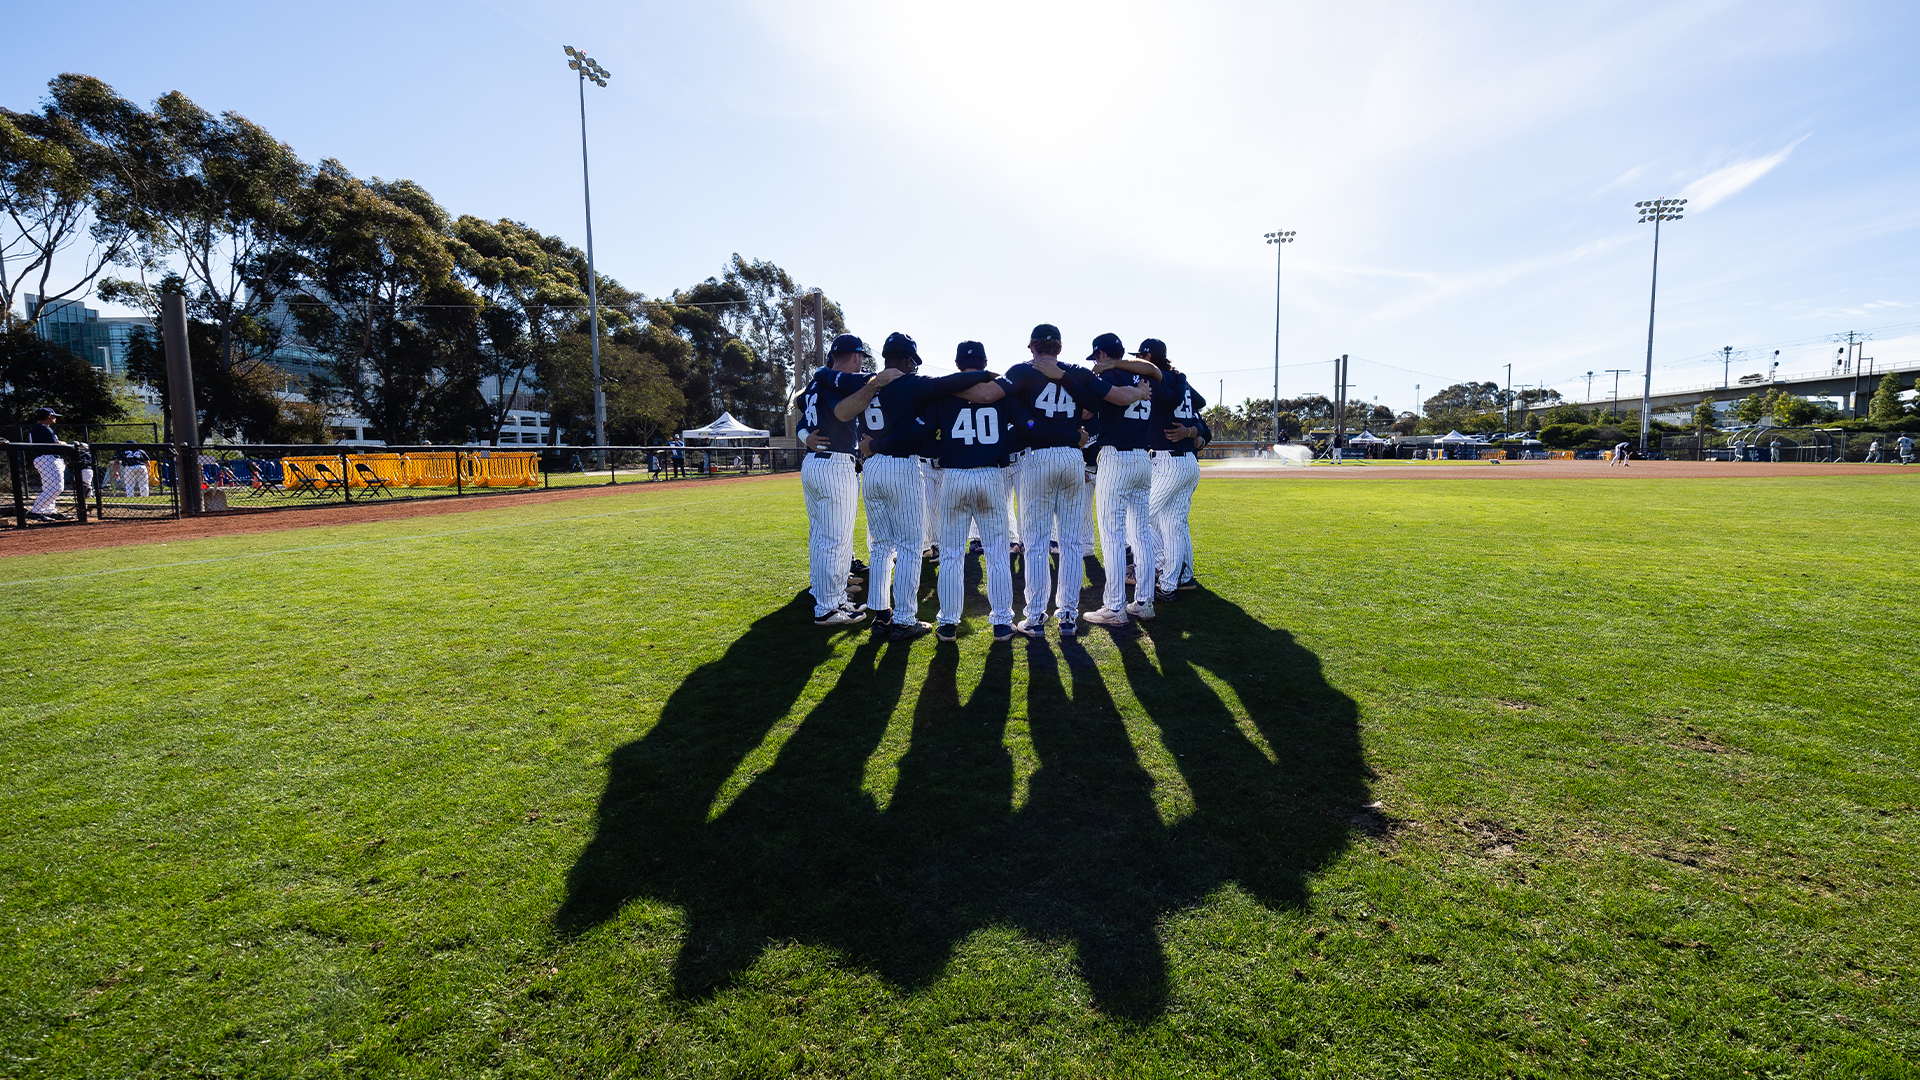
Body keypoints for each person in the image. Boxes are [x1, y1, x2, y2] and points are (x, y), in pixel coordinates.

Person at [971, 323, 1149, 637]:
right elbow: (1111, 399)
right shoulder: (1077, 372)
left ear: (1032, 346)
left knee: (1037, 543)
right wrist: (1137, 392)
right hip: (1071, 456)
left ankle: (1037, 617)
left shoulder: (1023, 371)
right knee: (1070, 543)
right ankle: (1067, 615)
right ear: (1060, 347)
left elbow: (988, 395)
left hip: (1037, 457)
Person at [857, 332, 999, 642]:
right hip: (900, 464)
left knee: (881, 546)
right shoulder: (907, 382)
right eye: (913, 363)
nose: (915, 368)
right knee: (909, 546)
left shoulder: (869, 383)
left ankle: (881, 614)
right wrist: (984, 374)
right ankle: (905, 619)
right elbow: (944, 385)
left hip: (871, 466)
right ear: (908, 360)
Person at [925, 341, 1026, 642]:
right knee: (997, 554)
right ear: (984, 363)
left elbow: (927, 434)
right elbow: (1023, 426)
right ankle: (1002, 622)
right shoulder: (999, 391)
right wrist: (1001, 449)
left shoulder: (942, 393)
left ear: (957, 364)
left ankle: (948, 622)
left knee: (951, 556)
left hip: (954, 475)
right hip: (990, 474)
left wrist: (944, 450)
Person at [803, 334, 901, 626]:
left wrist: (802, 436)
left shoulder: (815, 382)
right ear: (857, 356)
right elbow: (844, 409)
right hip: (834, 463)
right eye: (861, 359)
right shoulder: (834, 380)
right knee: (836, 538)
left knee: (820, 536)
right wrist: (876, 383)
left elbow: (800, 412)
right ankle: (829, 606)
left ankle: (822, 593)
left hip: (814, 464)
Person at [1078, 334, 1174, 627]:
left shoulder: (1110, 375)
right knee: (1140, 533)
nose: (1095, 362)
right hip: (1142, 459)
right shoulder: (1143, 375)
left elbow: (1085, 411)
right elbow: (1157, 373)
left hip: (1115, 458)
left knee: (1113, 536)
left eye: (1096, 356)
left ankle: (1114, 607)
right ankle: (1144, 602)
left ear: (1104, 353)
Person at [1139, 339, 1209, 598]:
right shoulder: (1177, 378)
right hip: (1188, 462)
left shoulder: (1159, 381)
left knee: (1136, 519)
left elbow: (1176, 399)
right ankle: (1173, 583)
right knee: (1173, 525)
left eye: (1140, 357)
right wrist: (1192, 427)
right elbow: (1199, 402)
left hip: (1168, 462)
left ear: (1148, 356)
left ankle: (1162, 564)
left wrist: (1191, 428)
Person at [26, 407, 72, 521]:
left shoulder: (37, 428)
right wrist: (62, 443)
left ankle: (49, 511)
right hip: (48, 458)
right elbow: (53, 444)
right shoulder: (43, 427)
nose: (55, 418)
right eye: (54, 416)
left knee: (49, 487)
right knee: (56, 487)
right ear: (49, 416)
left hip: (45, 459)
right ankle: (36, 510)